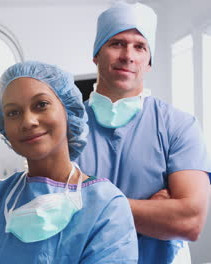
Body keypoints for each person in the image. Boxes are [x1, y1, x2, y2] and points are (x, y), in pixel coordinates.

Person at [0, 61, 138, 263]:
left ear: (68, 109)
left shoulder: (106, 207)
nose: (28, 121)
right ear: (3, 126)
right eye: (13, 112)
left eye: (41, 104)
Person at [74, 2, 211, 264]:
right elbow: (51, 210)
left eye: (140, 46)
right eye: (116, 43)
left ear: (149, 61)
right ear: (96, 54)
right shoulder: (66, 126)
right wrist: (153, 210)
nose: (128, 55)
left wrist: (89, 205)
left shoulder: (179, 126)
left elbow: (190, 221)